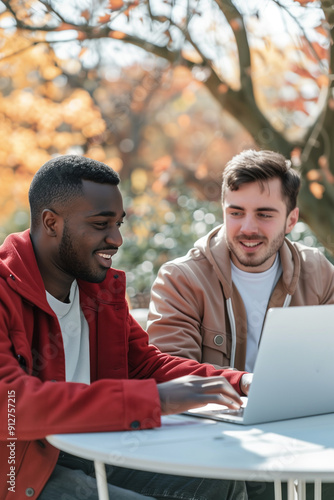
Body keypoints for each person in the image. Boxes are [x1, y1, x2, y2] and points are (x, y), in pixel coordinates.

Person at [0, 155, 250, 500]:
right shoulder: (4, 292)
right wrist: (154, 400)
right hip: (16, 467)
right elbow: (11, 404)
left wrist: (238, 382)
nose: (116, 239)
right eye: (101, 224)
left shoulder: (98, 289)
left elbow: (145, 364)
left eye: (118, 223)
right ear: (51, 222)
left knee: (221, 479)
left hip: (90, 443)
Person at [147, 149, 334, 500]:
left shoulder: (319, 271)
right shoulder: (181, 279)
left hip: (305, 430)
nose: (248, 228)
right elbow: (171, 377)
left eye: (264, 214)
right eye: (236, 213)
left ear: (291, 220)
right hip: (221, 443)